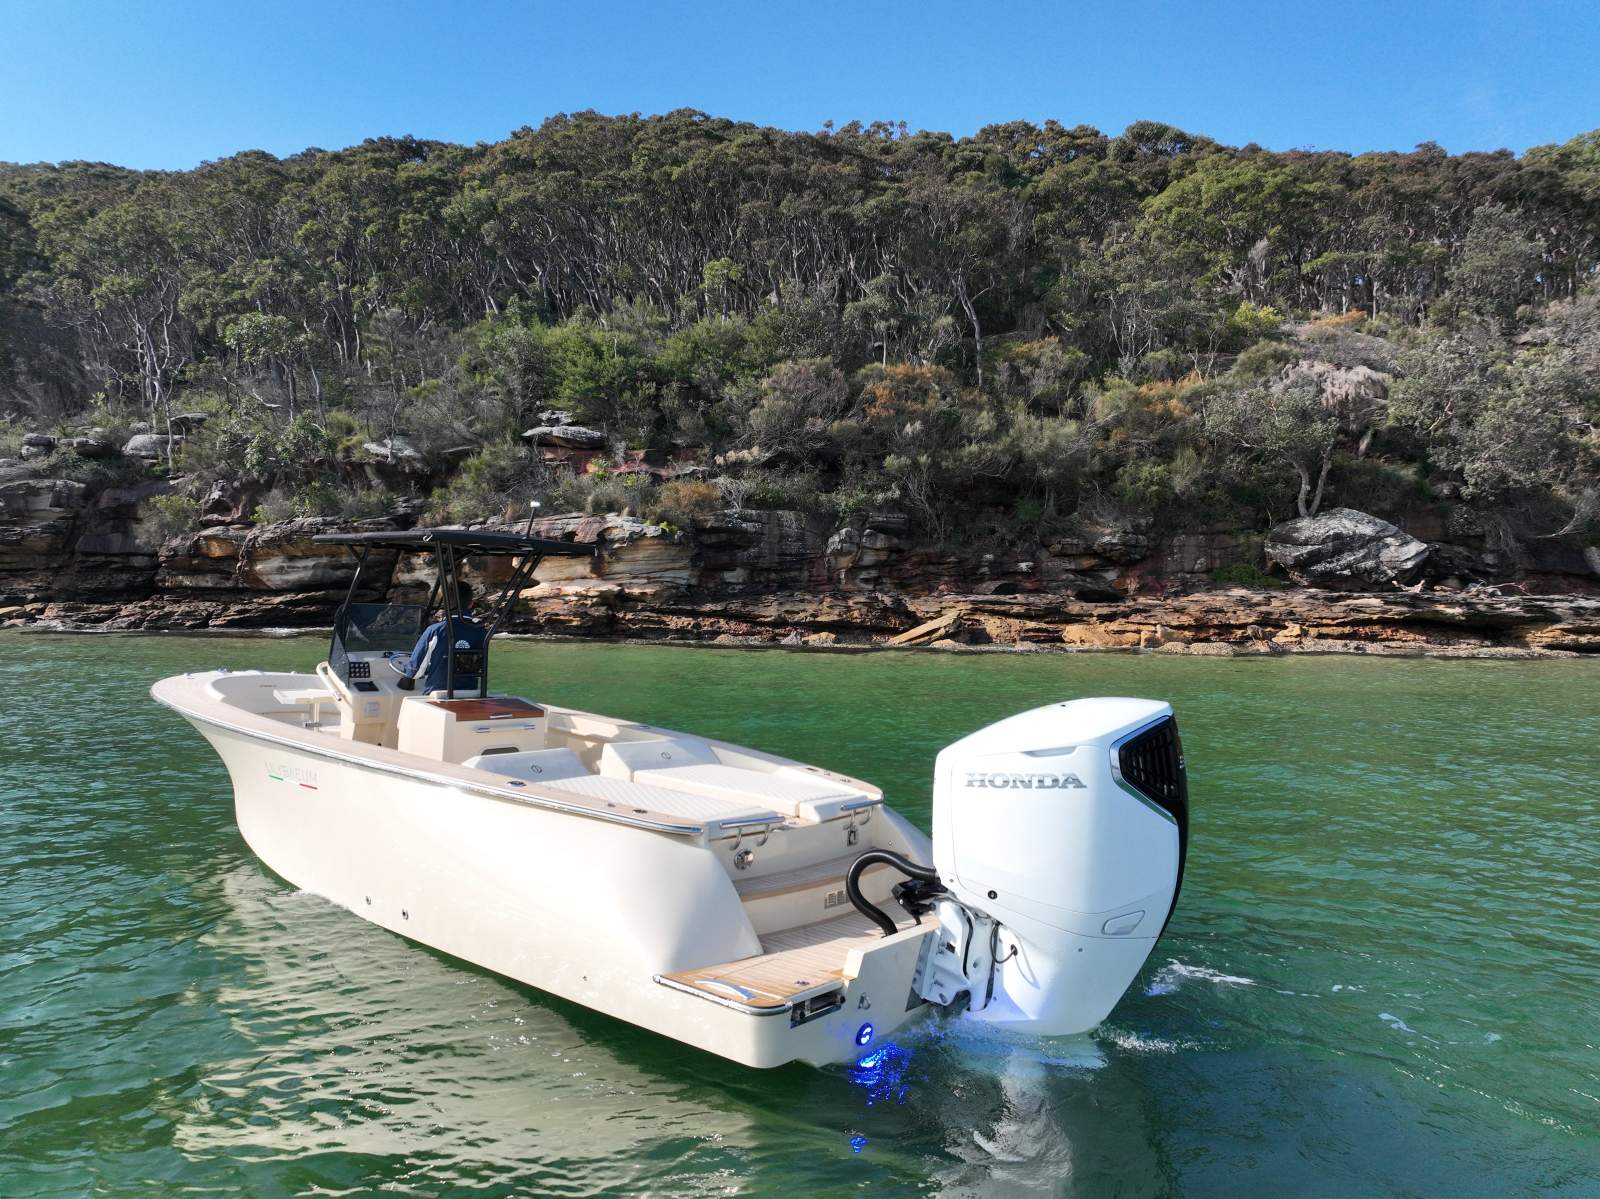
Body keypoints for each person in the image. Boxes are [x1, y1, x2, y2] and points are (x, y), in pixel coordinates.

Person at [402, 583, 487, 694]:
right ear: (471, 604)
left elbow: (415, 672)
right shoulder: (482, 632)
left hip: (439, 694)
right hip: (471, 694)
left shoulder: (435, 631)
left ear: (446, 603)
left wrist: (407, 673)